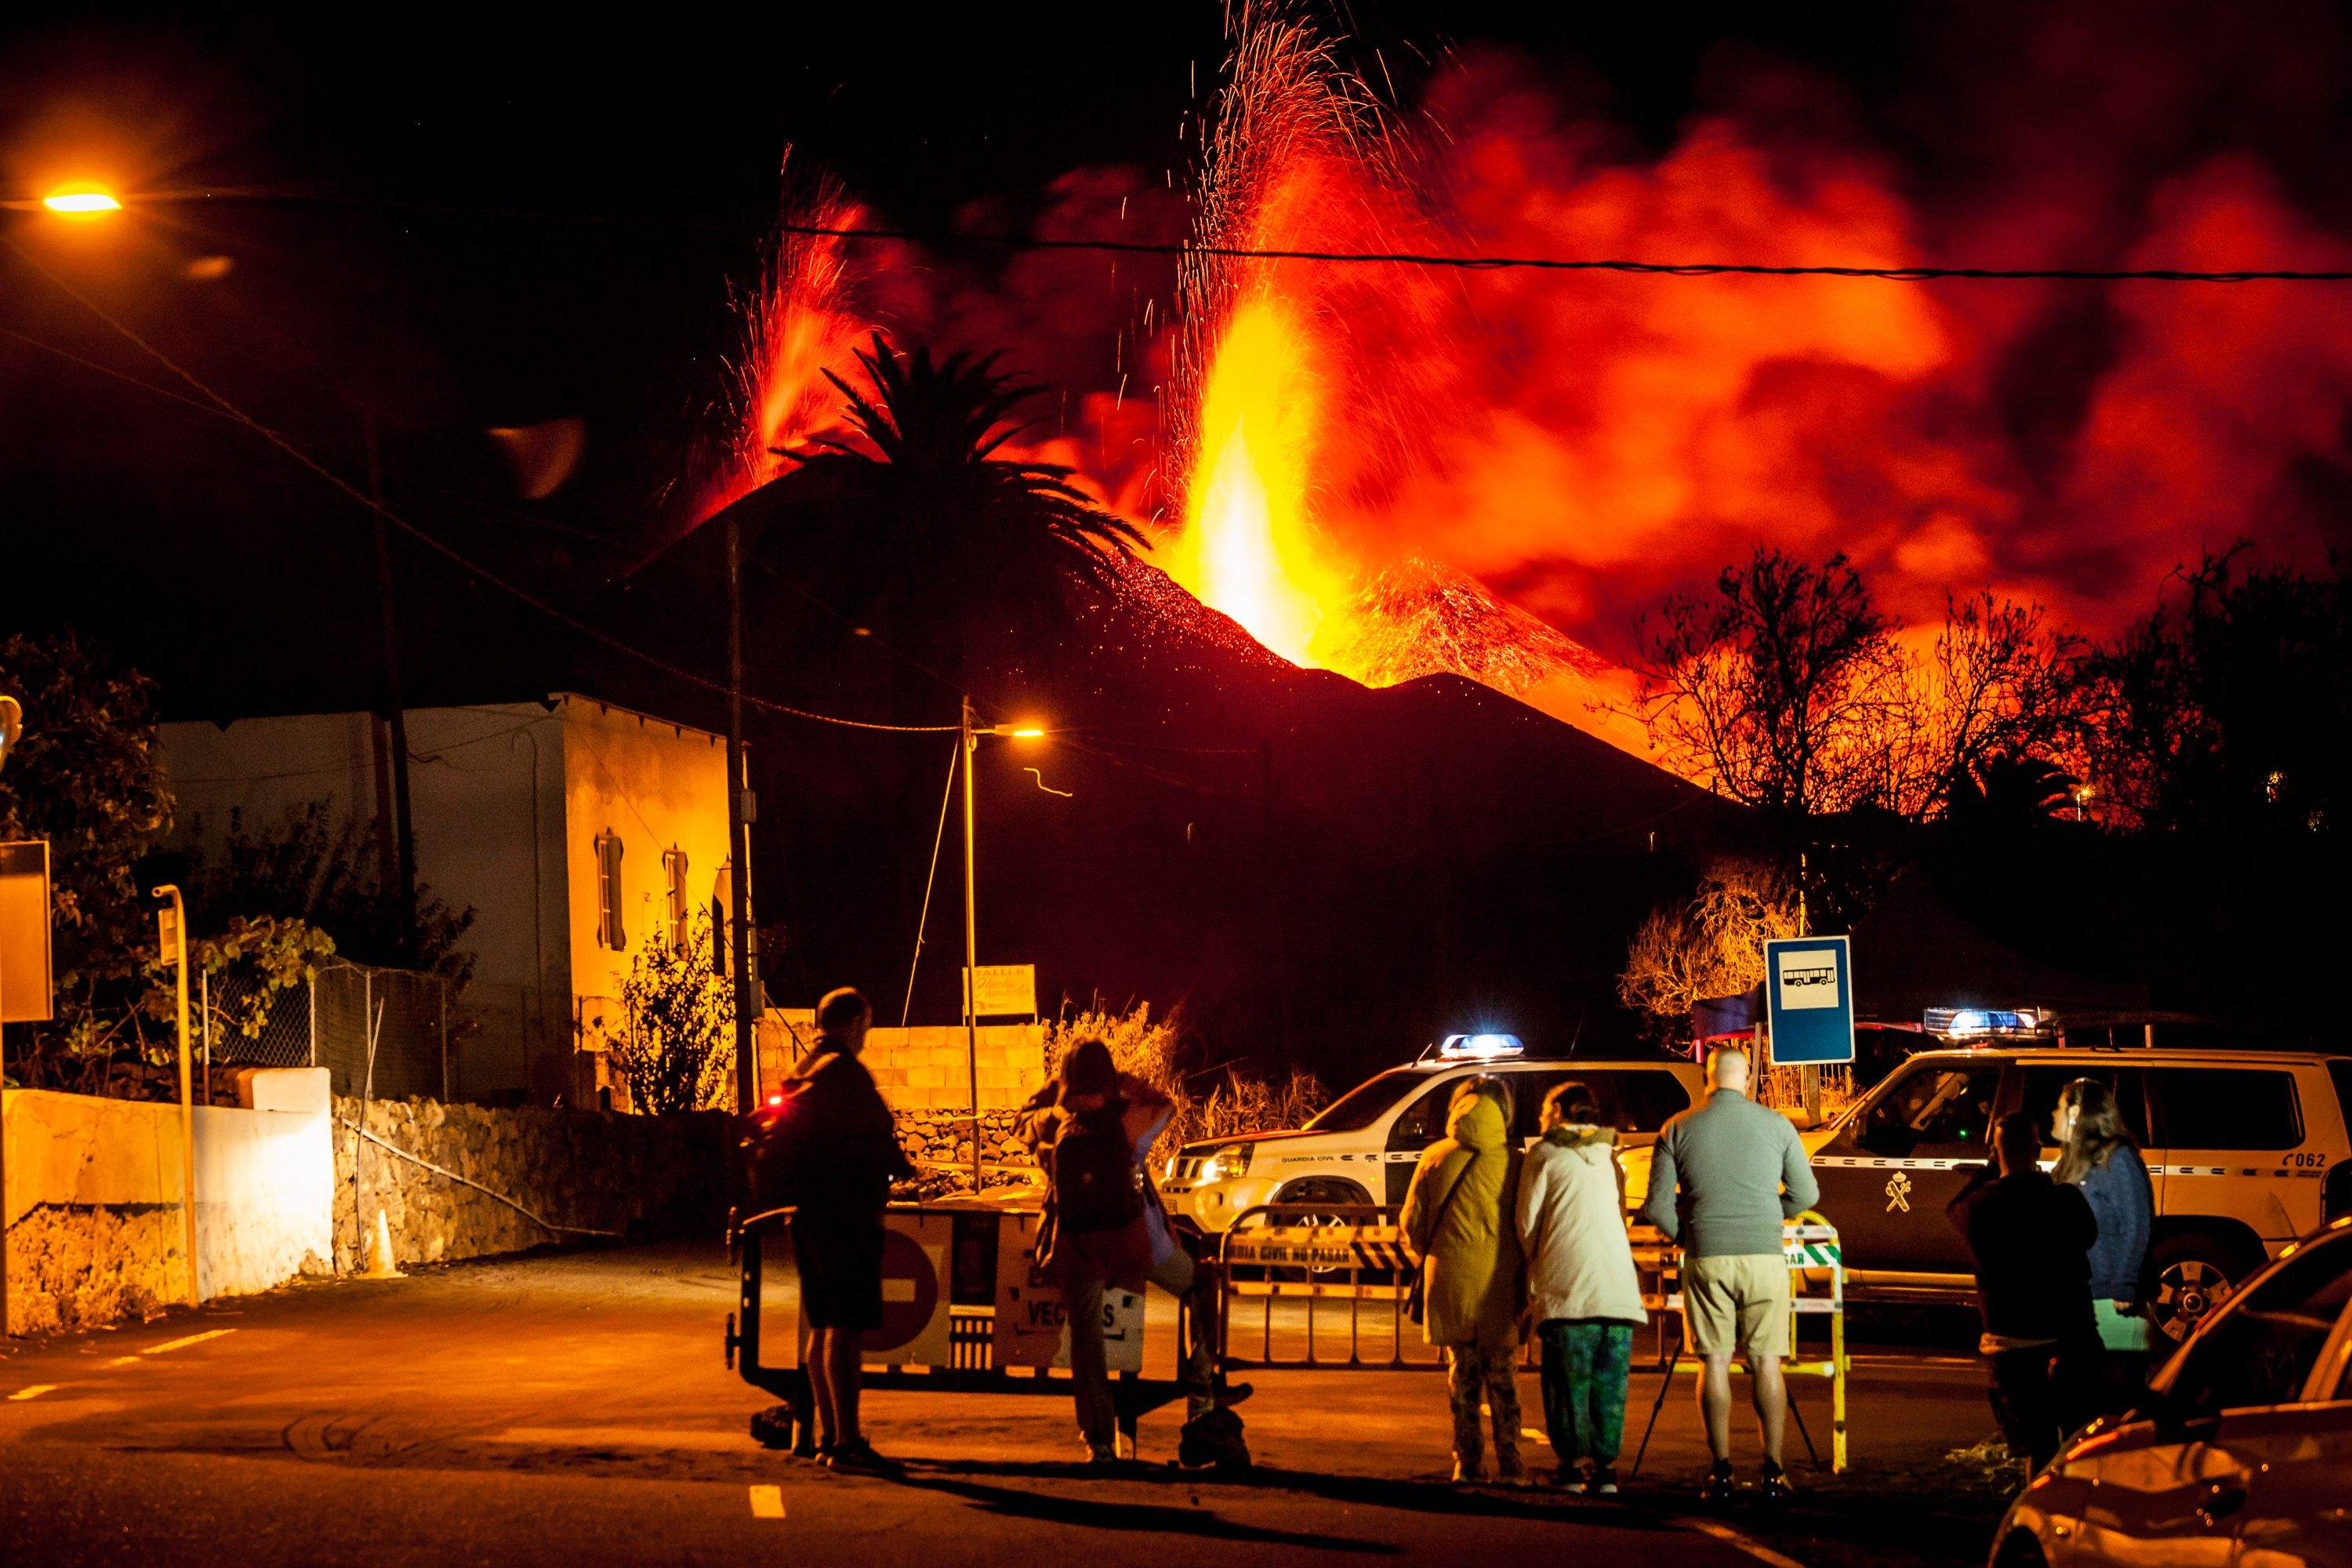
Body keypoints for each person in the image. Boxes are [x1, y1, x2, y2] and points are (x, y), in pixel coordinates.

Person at [1017, 1039, 1239, 1465]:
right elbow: (1167, 1105)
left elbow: (1019, 1122)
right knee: (1200, 1285)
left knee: (1087, 1346)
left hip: (1077, 1245)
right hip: (1135, 1242)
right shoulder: (1132, 1120)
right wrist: (1119, 1084)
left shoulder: (1052, 1125)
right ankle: (1200, 1393)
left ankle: (1100, 1444)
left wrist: (1058, 1094)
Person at [1639, 1044, 1818, 1506]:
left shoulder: (1677, 1127)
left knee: (1714, 1361)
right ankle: (1773, 1472)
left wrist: (1691, 1234)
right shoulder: (1778, 1125)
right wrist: (1767, 1216)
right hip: (1763, 1257)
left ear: (1708, 1078)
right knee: (1767, 1362)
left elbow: (1657, 1207)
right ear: (1747, 1079)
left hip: (1706, 1256)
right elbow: (1807, 1192)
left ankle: (1720, 1472)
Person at [774, 986, 913, 1472]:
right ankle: (848, 1442)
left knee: (822, 1324)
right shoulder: (846, 1073)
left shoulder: (802, 1070)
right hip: (847, 1215)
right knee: (846, 1329)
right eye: (868, 1024)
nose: (868, 1034)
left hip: (807, 1213)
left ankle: (829, 1436)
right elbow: (880, 1135)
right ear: (854, 1022)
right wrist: (906, 1173)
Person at [1947, 1111, 2100, 1471]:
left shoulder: (1979, 1207)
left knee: (2038, 1444)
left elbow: (1955, 1206)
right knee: (2080, 1441)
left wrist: (1991, 1166)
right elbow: (2089, 1236)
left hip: (2010, 1346)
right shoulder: (2063, 1201)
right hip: (2069, 1337)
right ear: (2037, 1149)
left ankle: (2037, 1506)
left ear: (1996, 1152)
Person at [1516, 1080, 1648, 1494]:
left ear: (1555, 1114)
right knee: (1610, 1386)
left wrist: (1537, 1260)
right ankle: (1605, 1470)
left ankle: (1571, 1467)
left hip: (1567, 1289)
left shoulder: (1543, 1155)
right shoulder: (1609, 1157)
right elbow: (1622, 1214)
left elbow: (1526, 1223)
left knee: (1567, 1385)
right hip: (1617, 1289)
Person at [1400, 1075, 1526, 1485]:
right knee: (1503, 1378)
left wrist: (1435, 1254)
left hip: (1450, 1281)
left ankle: (1468, 1463)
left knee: (1463, 1377)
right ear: (1502, 1111)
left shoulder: (1434, 1157)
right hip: (1500, 1284)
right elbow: (1526, 1225)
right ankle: (1511, 1462)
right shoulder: (1516, 1161)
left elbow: (1412, 1224)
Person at [2054, 1077, 2155, 1406]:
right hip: (2081, 1298)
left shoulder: (2119, 1159)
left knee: (2116, 1399)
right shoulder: (2071, 1162)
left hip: (2112, 1301)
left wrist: (2124, 1284)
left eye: (2059, 1106)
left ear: (2076, 1113)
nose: (2052, 1114)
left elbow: (2137, 1223)